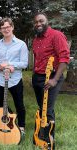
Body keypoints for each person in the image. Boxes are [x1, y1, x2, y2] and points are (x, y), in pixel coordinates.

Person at [32, 12, 70, 141]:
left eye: (41, 21)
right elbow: (37, 58)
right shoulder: (36, 39)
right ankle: (40, 134)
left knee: (48, 109)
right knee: (41, 108)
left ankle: (48, 141)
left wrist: (54, 79)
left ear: (47, 21)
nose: (38, 24)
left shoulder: (57, 35)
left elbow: (64, 58)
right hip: (37, 77)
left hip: (52, 77)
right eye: (36, 22)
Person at [0, 18, 28, 135]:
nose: (6, 29)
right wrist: (1, 67)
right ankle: (9, 119)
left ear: (12, 27)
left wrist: (11, 65)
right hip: (1, 81)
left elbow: (24, 63)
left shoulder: (21, 44)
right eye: (3, 28)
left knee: (19, 104)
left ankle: (21, 126)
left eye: (8, 27)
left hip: (15, 80)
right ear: (0, 30)